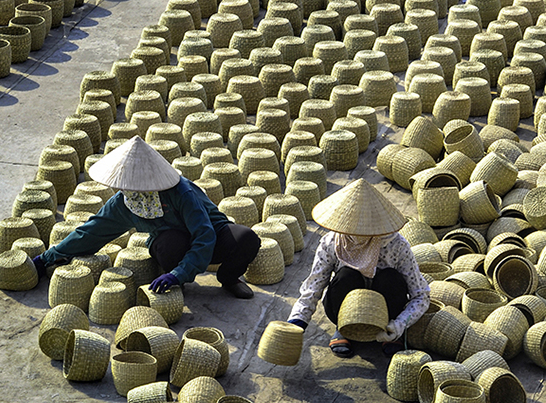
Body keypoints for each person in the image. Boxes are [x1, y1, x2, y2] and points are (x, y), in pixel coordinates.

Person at [33, 136, 261, 298]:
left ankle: (229, 278)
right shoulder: (125, 202)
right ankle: (176, 277)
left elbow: (205, 234)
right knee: (167, 243)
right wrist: (48, 258)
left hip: (213, 236)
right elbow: (92, 232)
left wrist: (180, 273)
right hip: (174, 243)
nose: (130, 190)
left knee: (246, 238)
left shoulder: (181, 192)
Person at [287, 179, 430, 357]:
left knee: (390, 278)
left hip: (386, 311)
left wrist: (399, 324)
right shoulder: (333, 242)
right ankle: (344, 328)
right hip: (344, 306)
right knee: (347, 274)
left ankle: (389, 335)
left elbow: (421, 295)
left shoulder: (395, 245)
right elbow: (314, 285)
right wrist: (297, 321)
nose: (354, 233)